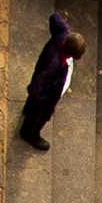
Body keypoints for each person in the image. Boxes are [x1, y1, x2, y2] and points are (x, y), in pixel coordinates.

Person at [19, 12, 85, 152]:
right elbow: (40, 81)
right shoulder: (54, 62)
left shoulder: (63, 33)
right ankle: (30, 134)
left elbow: (55, 18)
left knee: (31, 106)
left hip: (41, 82)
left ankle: (28, 109)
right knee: (38, 116)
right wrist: (41, 98)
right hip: (44, 94)